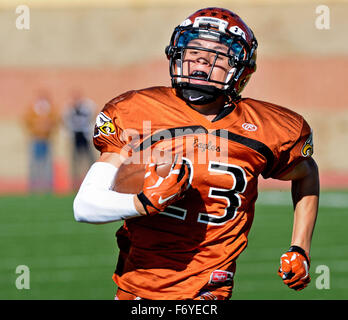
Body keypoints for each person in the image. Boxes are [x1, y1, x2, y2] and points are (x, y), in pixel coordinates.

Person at [73, 7, 319, 300]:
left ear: (240, 68)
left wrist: (300, 247)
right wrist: (142, 203)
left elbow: (306, 172)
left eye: (217, 52)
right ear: (177, 54)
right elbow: (85, 205)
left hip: (209, 291)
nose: (201, 59)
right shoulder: (137, 112)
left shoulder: (268, 128)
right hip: (138, 288)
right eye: (194, 49)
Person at [23, 93, 59, 193]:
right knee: (35, 164)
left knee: (47, 164)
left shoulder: (51, 111)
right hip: (36, 140)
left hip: (47, 140)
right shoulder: (32, 110)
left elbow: (55, 122)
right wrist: (36, 130)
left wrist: (48, 129)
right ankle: (34, 186)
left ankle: (48, 186)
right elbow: (26, 122)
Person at [63, 92, 96, 190]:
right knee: (75, 163)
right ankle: (75, 184)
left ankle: (93, 182)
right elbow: (65, 120)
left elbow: (93, 112)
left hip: (85, 137)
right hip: (75, 137)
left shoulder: (87, 107)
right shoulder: (69, 109)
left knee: (90, 161)